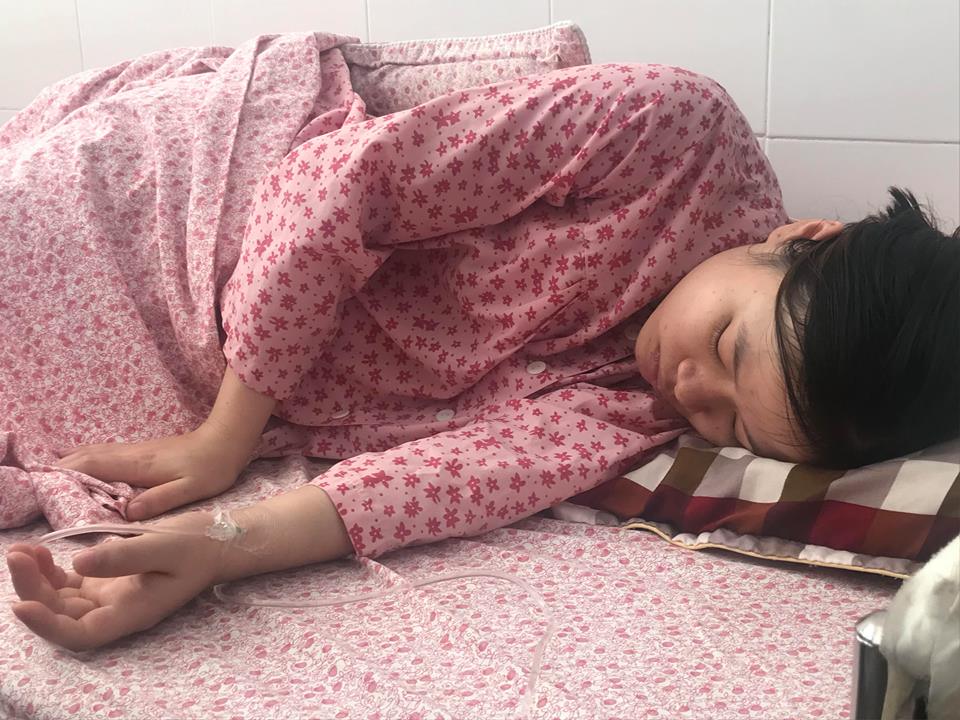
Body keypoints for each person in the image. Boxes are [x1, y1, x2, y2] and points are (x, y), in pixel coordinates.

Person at [5, 62, 958, 651]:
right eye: (726, 345)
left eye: (734, 423)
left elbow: (439, 484)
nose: (690, 390)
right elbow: (335, 184)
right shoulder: (673, 136)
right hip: (202, 208)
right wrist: (222, 442)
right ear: (802, 238)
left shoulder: (638, 413)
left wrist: (220, 546)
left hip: (216, 371)